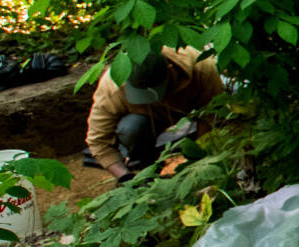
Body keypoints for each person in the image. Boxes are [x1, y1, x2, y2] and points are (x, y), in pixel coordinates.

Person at [85, 46, 225, 181]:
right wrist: (125, 178)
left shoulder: (200, 67)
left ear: (169, 72)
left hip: (190, 119)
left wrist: (200, 161)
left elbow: (213, 117)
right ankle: (145, 166)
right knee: (130, 128)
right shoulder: (112, 85)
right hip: (144, 125)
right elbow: (98, 141)